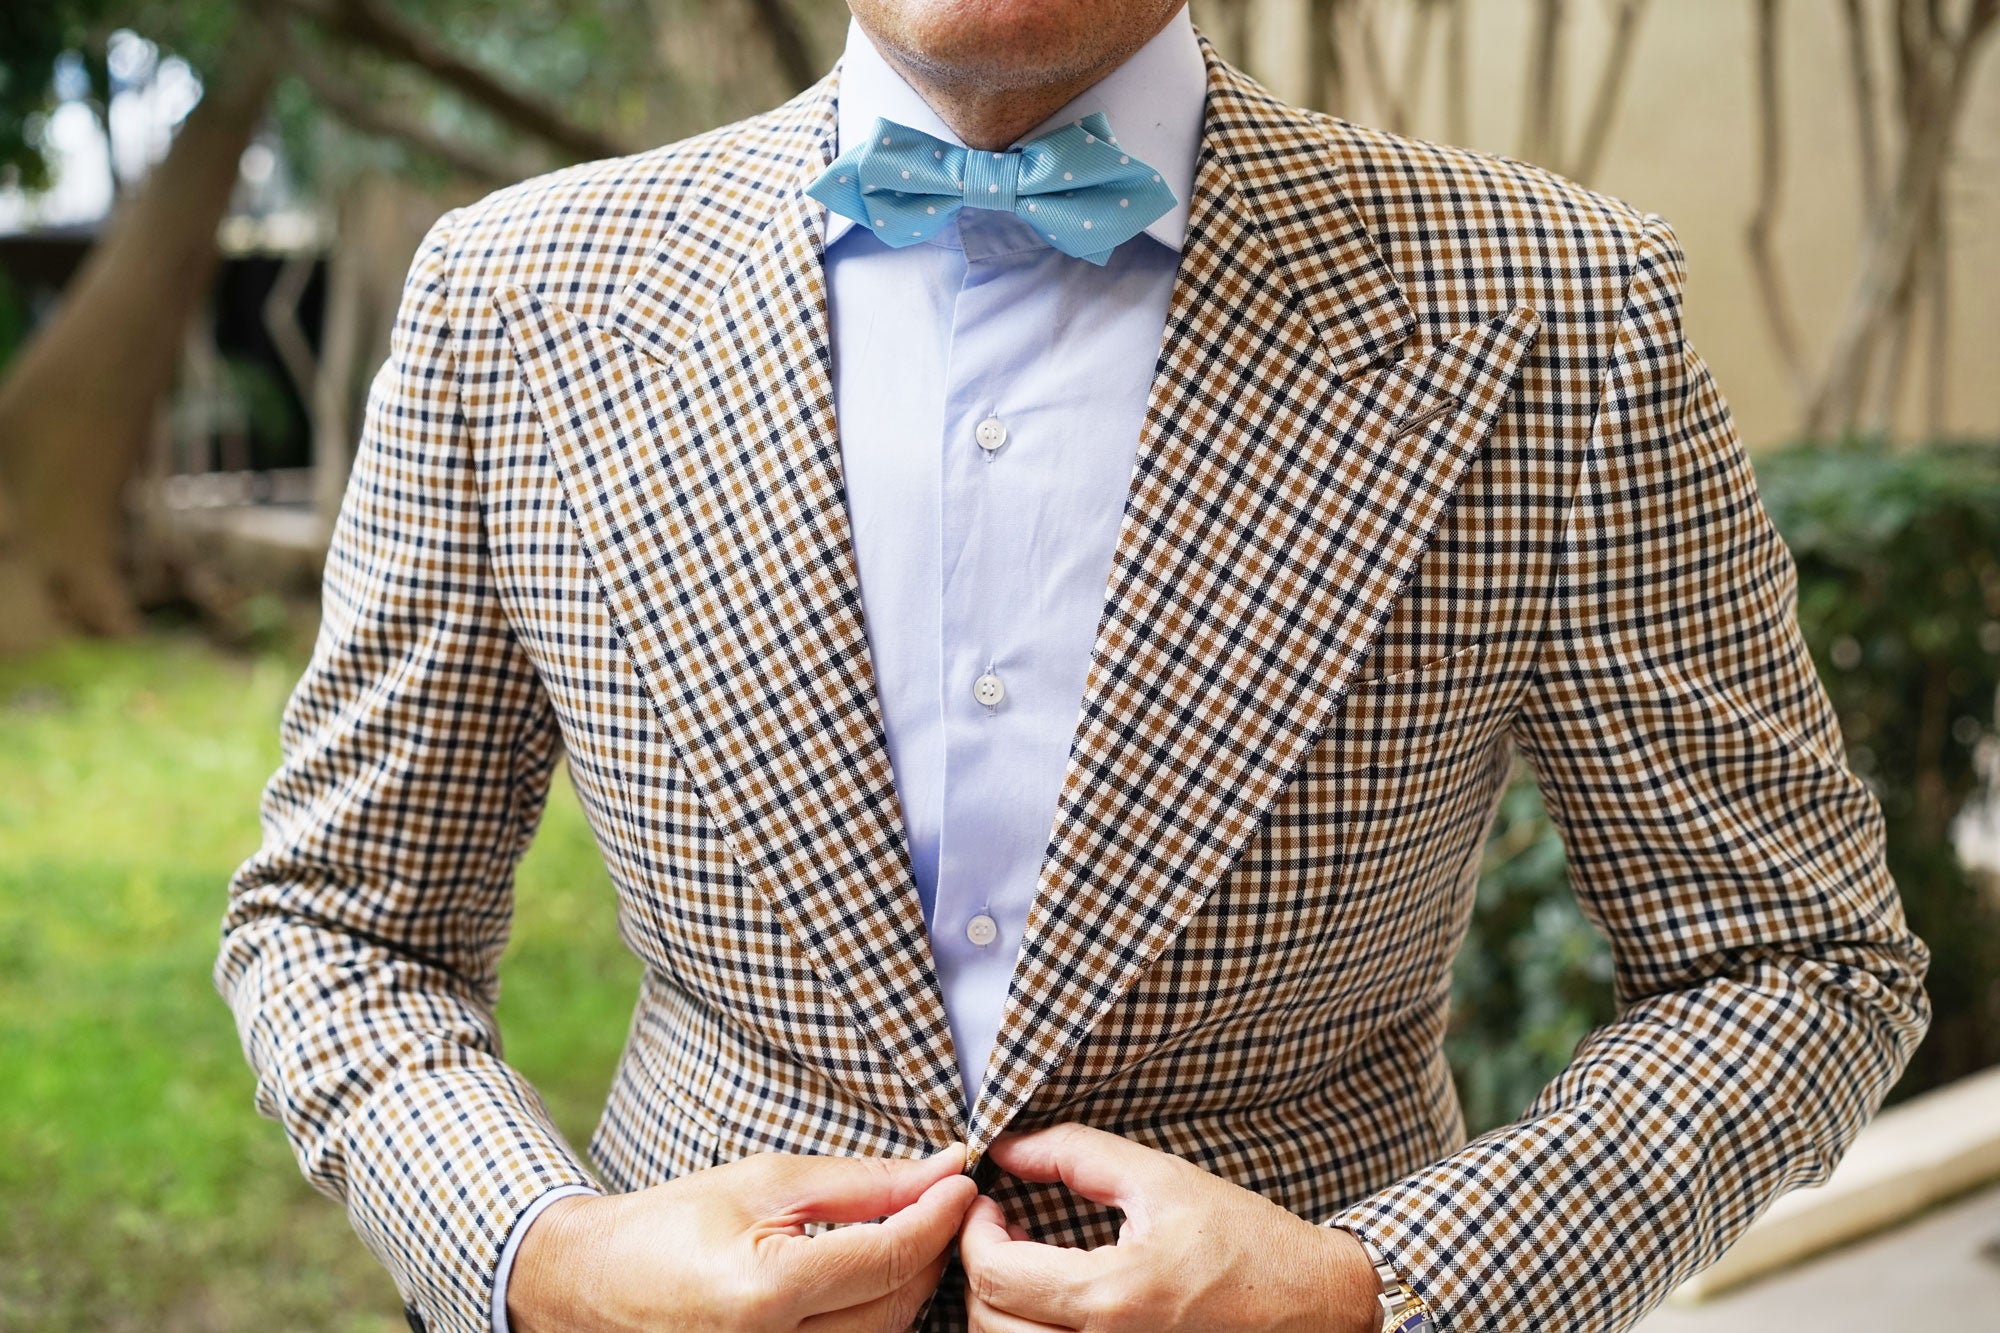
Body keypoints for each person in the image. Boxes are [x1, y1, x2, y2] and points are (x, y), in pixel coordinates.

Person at [215, 2, 1932, 1331]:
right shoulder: (513, 302)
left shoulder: (1558, 308)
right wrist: (545, 1255)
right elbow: (342, 925)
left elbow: (1794, 960)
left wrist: (1381, 1292)